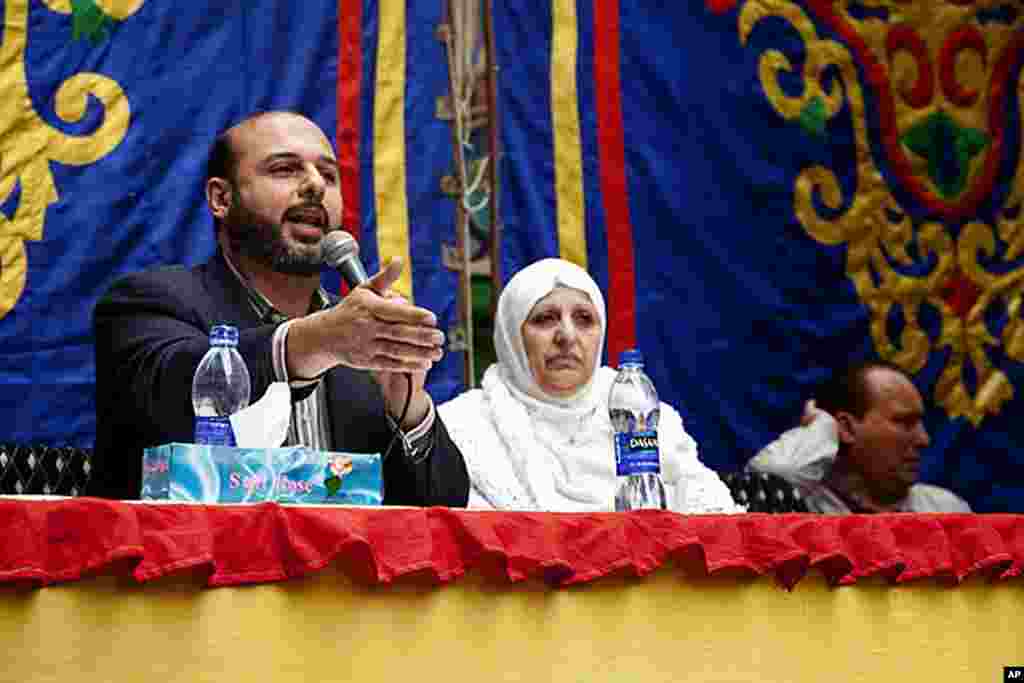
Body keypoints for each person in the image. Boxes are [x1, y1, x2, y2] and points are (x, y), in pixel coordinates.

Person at [91, 111, 469, 506]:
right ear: (222, 198)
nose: (314, 186)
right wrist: (313, 342)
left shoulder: (363, 347)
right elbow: (170, 391)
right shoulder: (149, 301)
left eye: (329, 175)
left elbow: (443, 515)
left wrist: (406, 410)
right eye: (285, 169)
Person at [437, 258, 742, 512]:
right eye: (545, 319)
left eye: (584, 319)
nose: (567, 336)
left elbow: (714, 517)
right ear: (511, 337)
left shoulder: (640, 417)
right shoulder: (464, 427)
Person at [747, 361, 970, 513]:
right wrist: (823, 427)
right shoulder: (805, 509)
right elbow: (769, 481)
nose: (924, 440)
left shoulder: (943, 509)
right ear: (846, 428)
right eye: (905, 422)